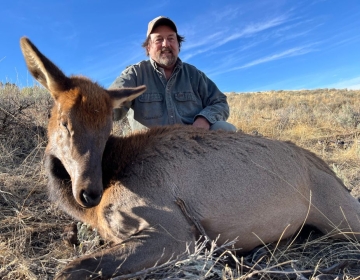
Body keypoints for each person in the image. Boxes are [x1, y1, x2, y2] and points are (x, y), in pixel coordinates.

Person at [110, 16, 236, 132]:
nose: (166, 44)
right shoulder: (135, 74)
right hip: (150, 149)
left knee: (224, 128)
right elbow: (108, 104)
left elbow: (220, 102)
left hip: (194, 143)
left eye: (171, 38)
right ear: (148, 47)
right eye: (159, 40)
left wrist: (204, 119)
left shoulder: (195, 75)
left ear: (178, 45)